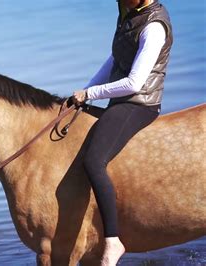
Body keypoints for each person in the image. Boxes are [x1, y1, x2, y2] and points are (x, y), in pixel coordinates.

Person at [72, 0, 173, 265]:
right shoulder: (129, 12)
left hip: (139, 103)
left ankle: (113, 241)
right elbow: (116, 58)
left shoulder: (154, 26)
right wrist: (85, 93)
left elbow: (134, 82)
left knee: (93, 161)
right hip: (120, 99)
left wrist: (91, 93)